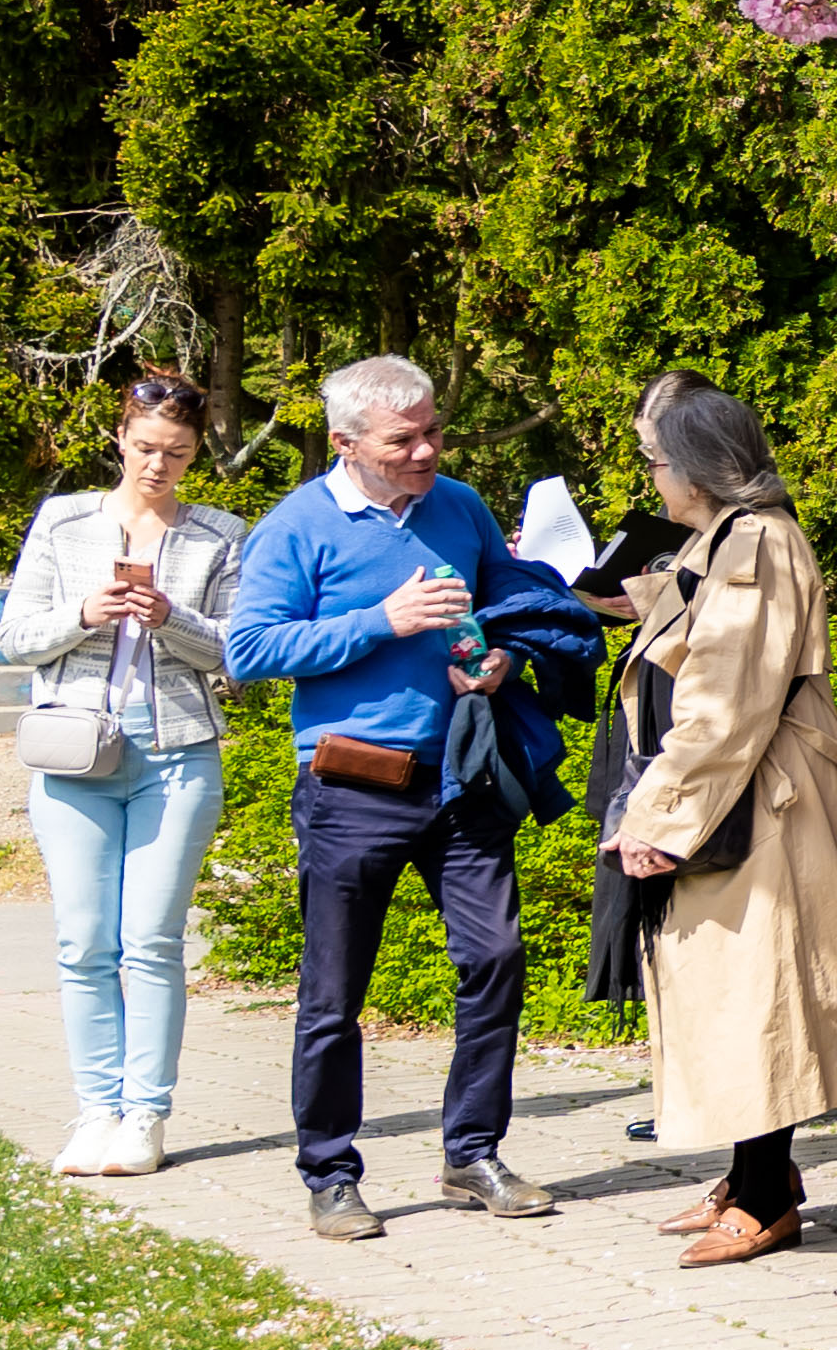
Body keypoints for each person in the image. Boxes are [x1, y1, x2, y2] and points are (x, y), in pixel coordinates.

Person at [219, 358, 605, 1245]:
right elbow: (249, 650)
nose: (427, 449)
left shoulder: (460, 506)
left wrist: (504, 661)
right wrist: (380, 623)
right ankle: (331, 1173)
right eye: (405, 440)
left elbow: (511, 607)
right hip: (354, 786)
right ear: (344, 443)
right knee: (333, 994)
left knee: (496, 959)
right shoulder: (297, 526)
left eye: (434, 431)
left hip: (463, 780)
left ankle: (472, 1153)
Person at [591, 374, 837, 1268]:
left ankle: (769, 1197)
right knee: (735, 993)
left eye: (655, 461)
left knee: (755, 993)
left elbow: (730, 697)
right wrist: (650, 598)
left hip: (751, 803)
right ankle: (753, 1173)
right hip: (737, 799)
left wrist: (655, 819)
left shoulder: (756, 542)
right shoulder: (730, 538)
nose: (650, 478)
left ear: (696, 468)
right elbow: (718, 636)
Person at [0, 369, 242, 1178]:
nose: (157, 466)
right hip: (74, 751)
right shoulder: (64, 522)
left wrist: (175, 621)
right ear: (119, 438)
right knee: (83, 943)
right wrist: (82, 615)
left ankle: (145, 1117)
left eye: (175, 452)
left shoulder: (217, 536)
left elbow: (242, 655)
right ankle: (95, 1111)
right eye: (144, 448)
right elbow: (14, 637)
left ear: (197, 452)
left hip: (176, 756)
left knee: (151, 942)